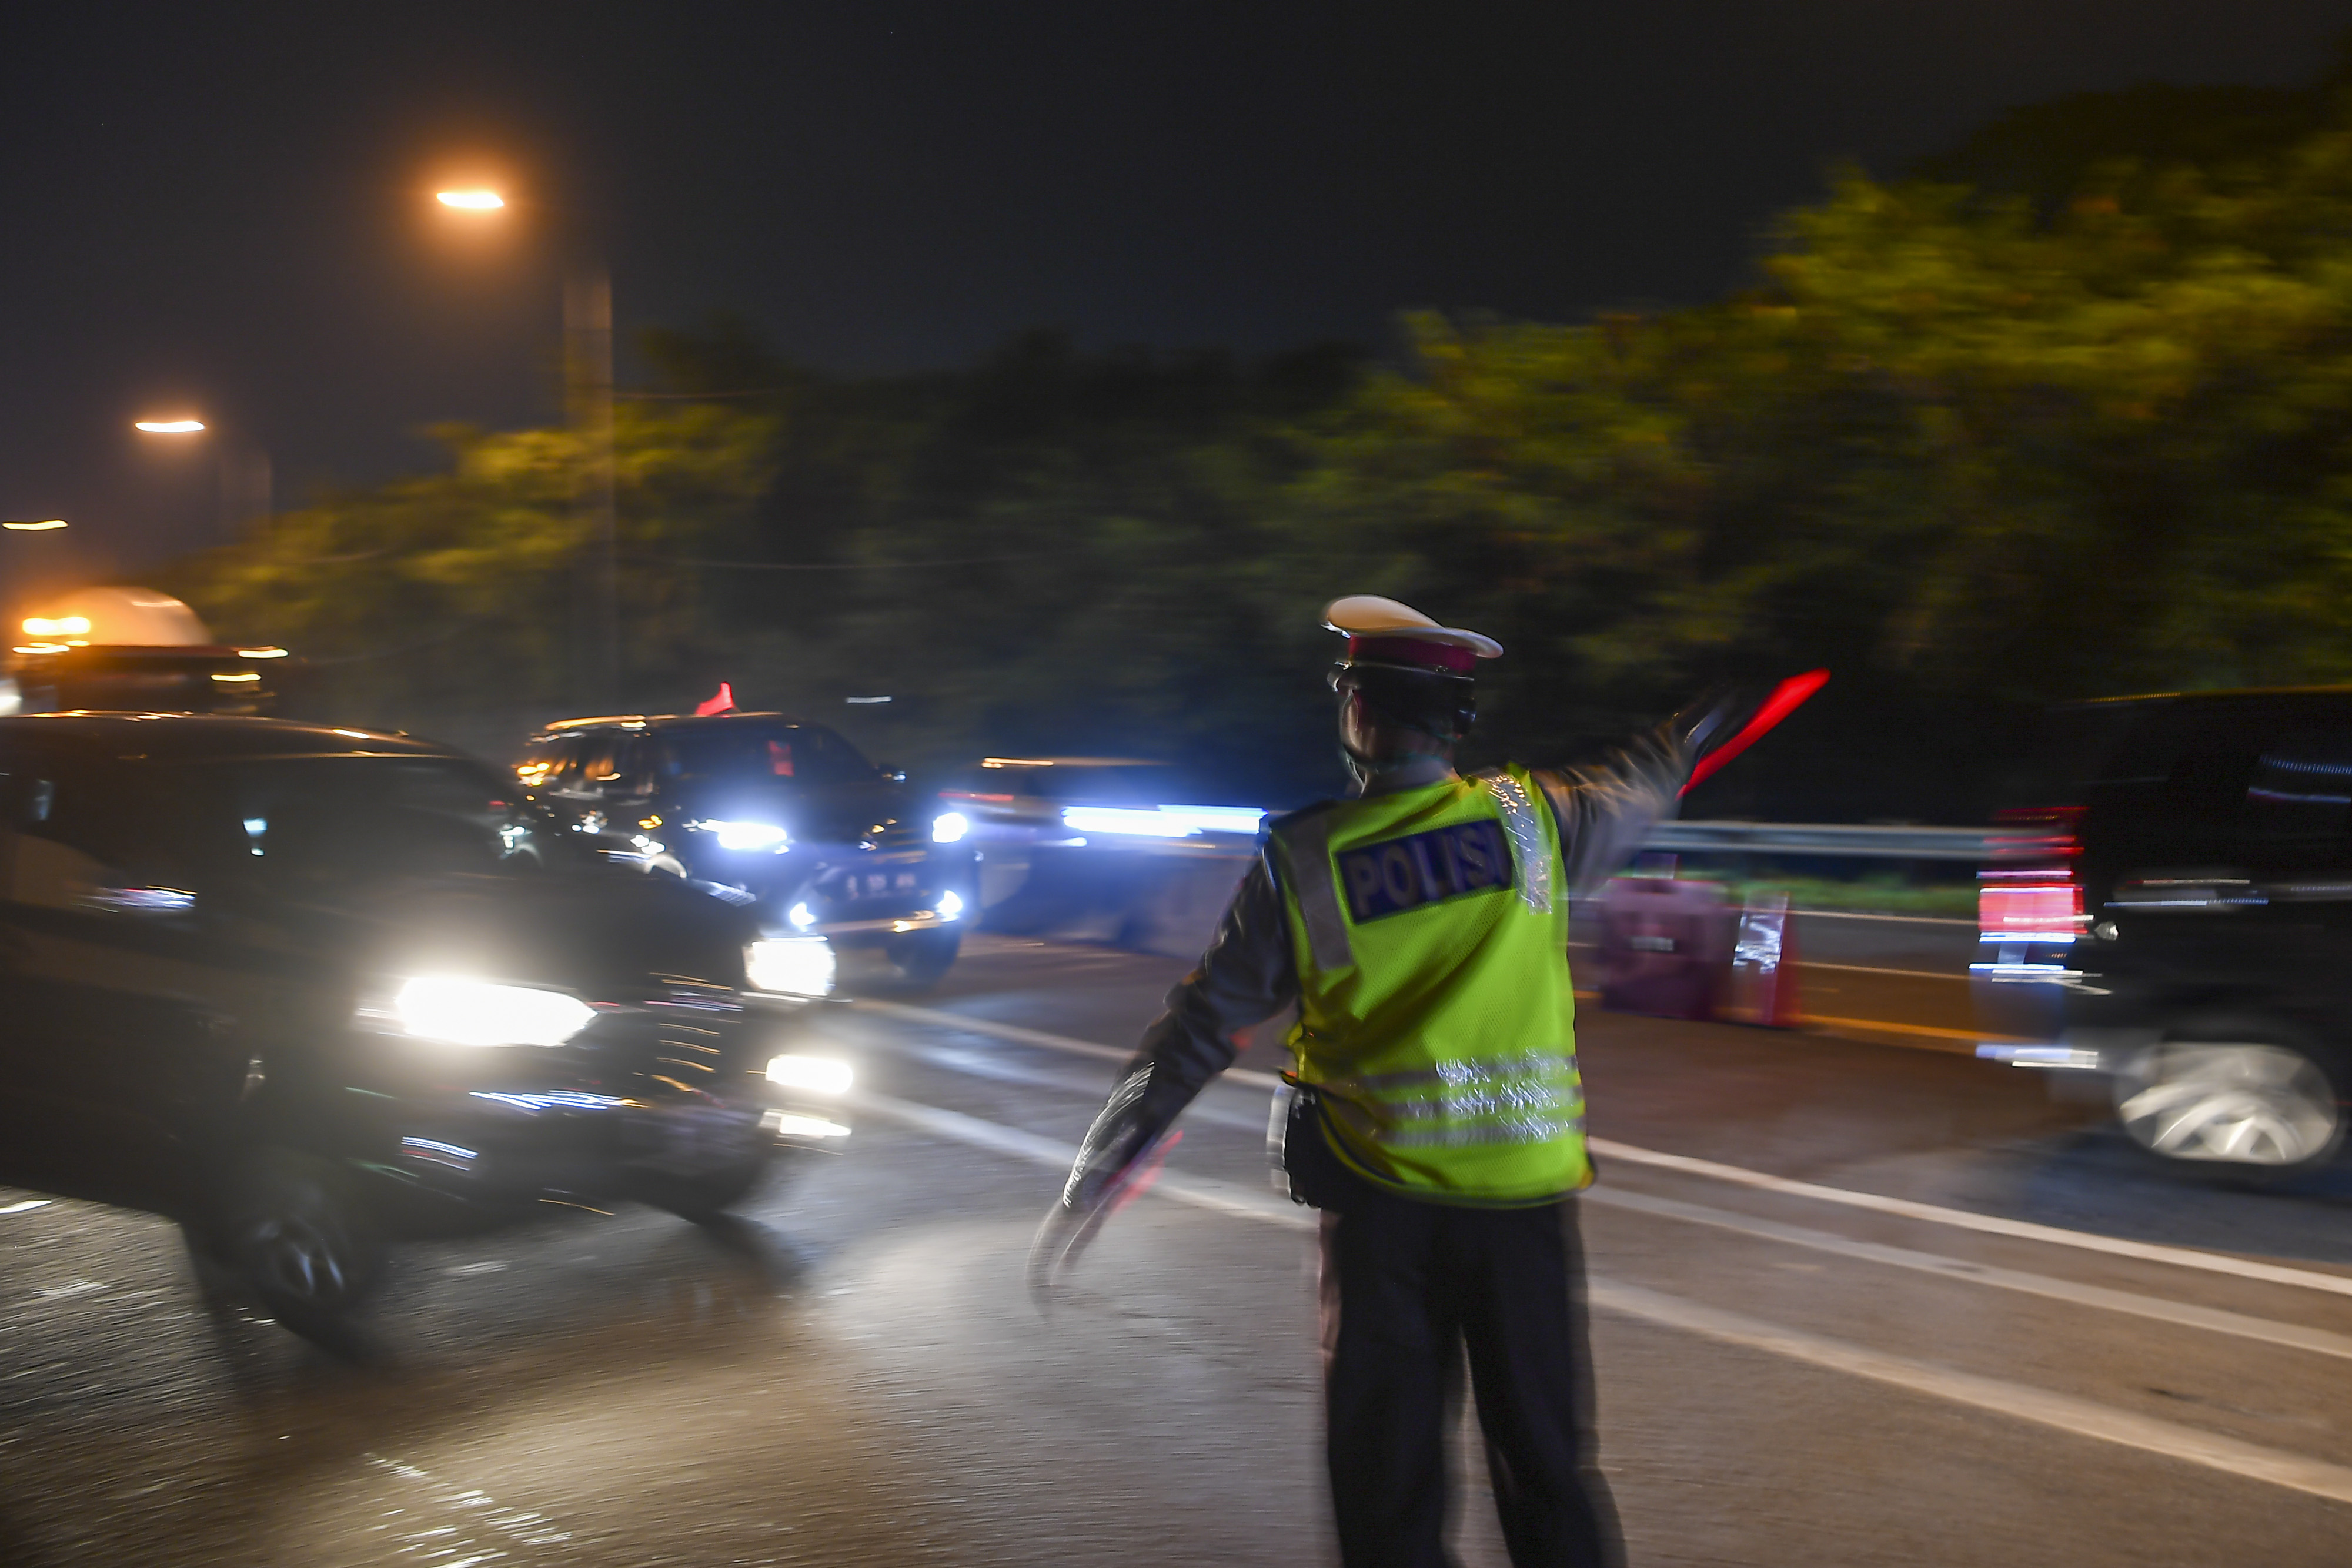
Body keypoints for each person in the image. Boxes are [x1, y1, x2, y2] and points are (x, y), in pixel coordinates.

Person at [1039, 595, 1774, 1568]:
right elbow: (1650, 772)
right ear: (1456, 719)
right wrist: (1713, 712)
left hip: (1382, 1209)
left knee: (1387, 1487)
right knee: (1548, 1470)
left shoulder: (1307, 860)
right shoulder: (1535, 819)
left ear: (1360, 714)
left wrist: (1100, 1167)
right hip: (1525, 1206)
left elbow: (1199, 1031)